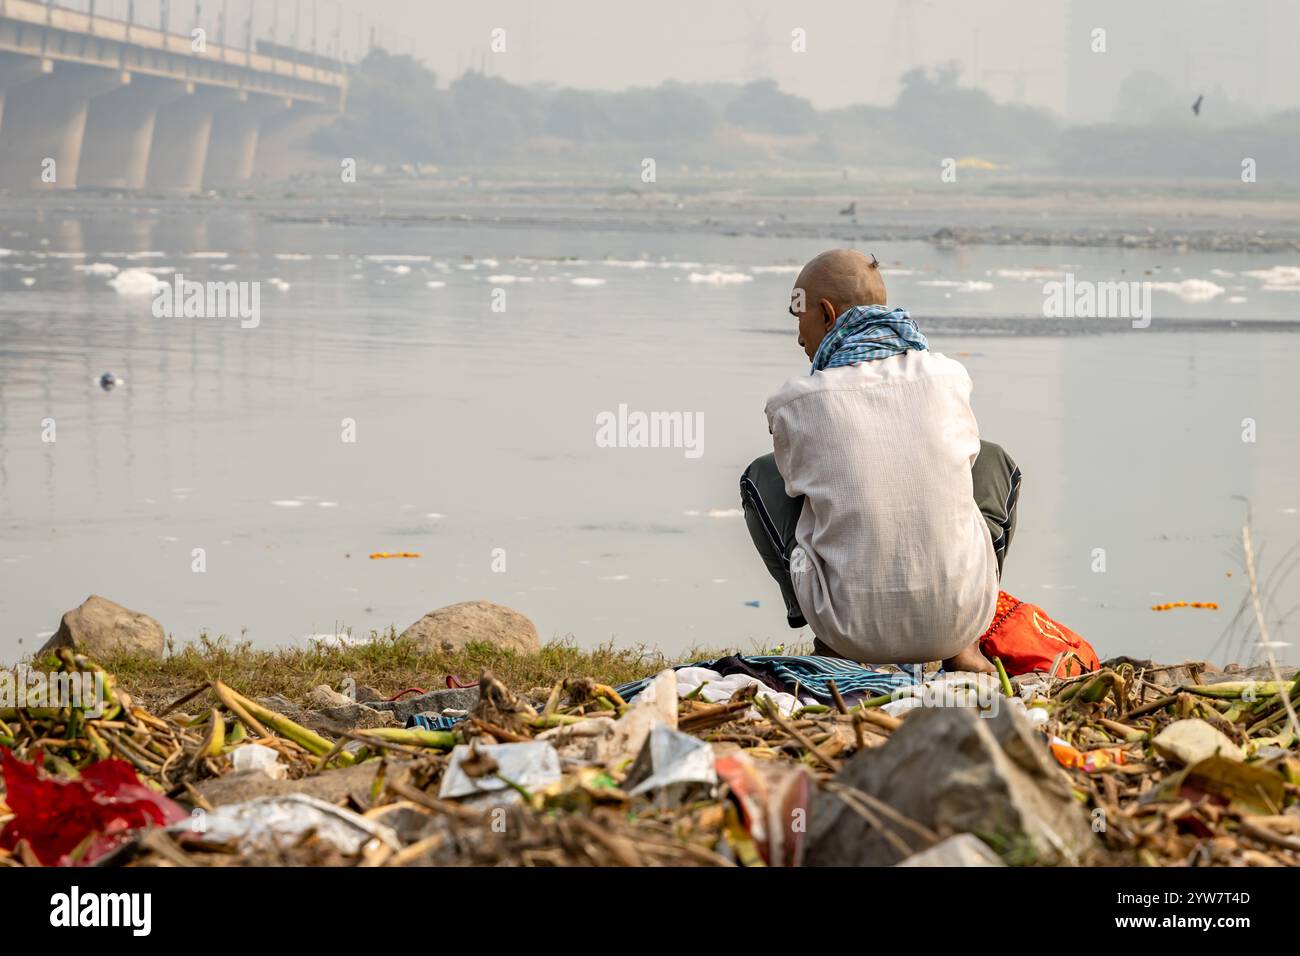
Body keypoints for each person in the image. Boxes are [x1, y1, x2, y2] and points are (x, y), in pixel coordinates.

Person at [739, 249, 1021, 674]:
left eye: (801, 322)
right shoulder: (949, 378)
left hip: (847, 628)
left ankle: (827, 644)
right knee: (992, 460)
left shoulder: (794, 402)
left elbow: (803, 485)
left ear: (828, 314)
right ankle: (964, 648)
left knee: (762, 476)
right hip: (959, 619)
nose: (800, 339)